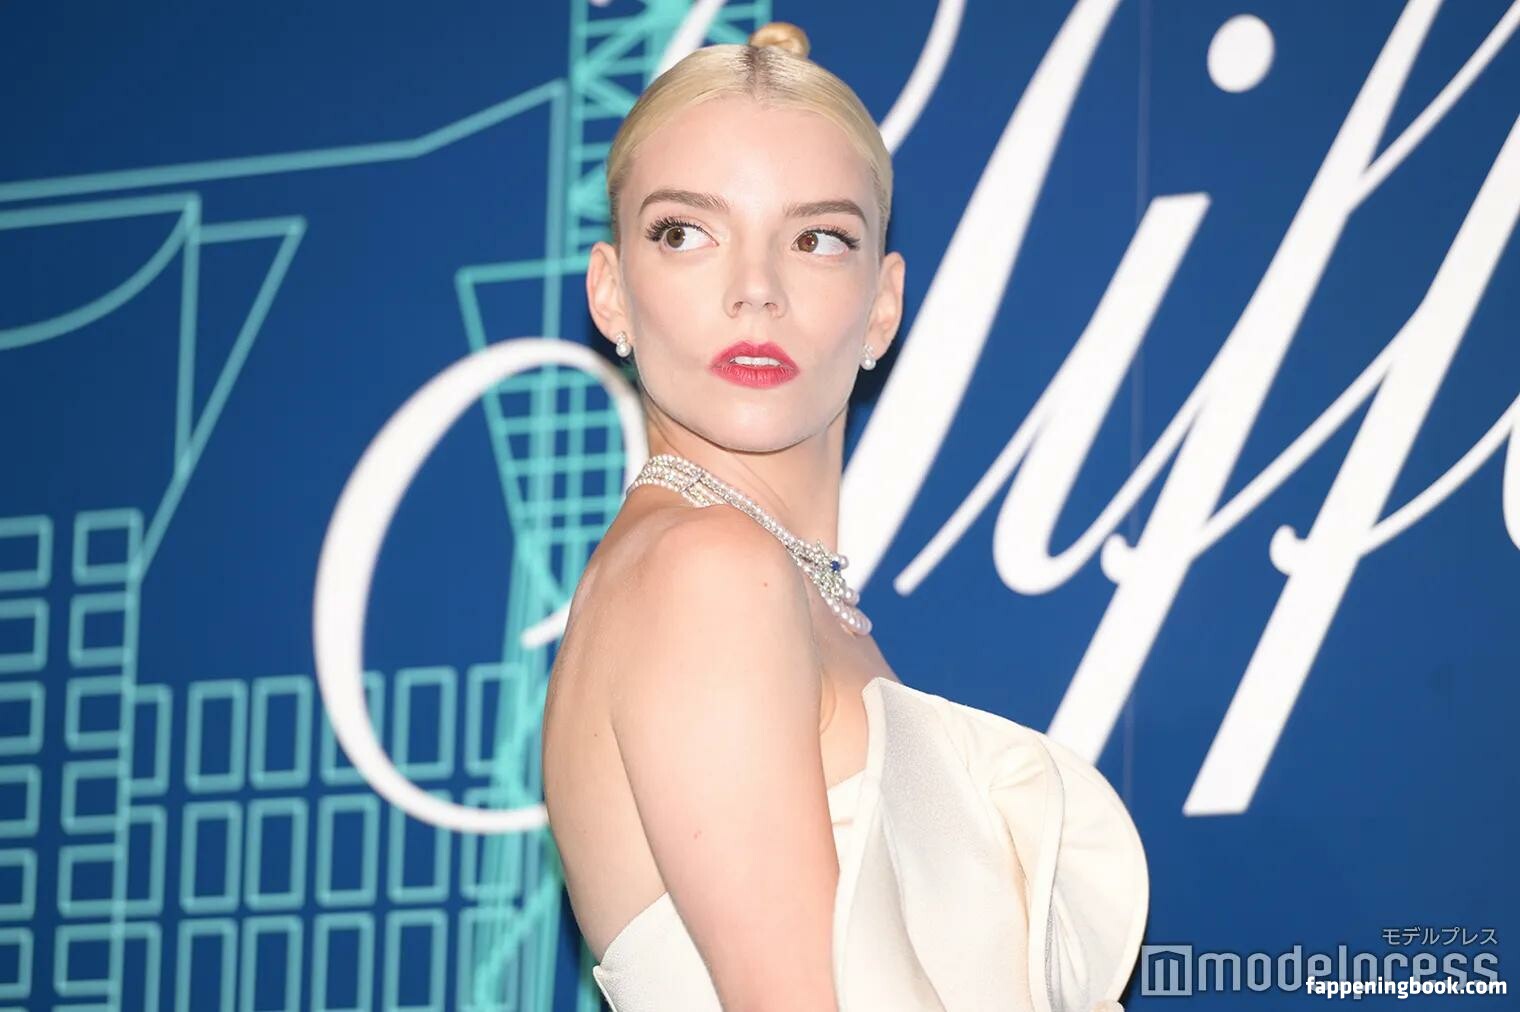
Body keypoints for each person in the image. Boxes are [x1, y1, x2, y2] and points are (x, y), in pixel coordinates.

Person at [541, 20, 1148, 1012]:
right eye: (685, 232)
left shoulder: (760, 580)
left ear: (882, 305)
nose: (755, 292)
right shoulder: (706, 573)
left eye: (816, 238)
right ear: (610, 294)